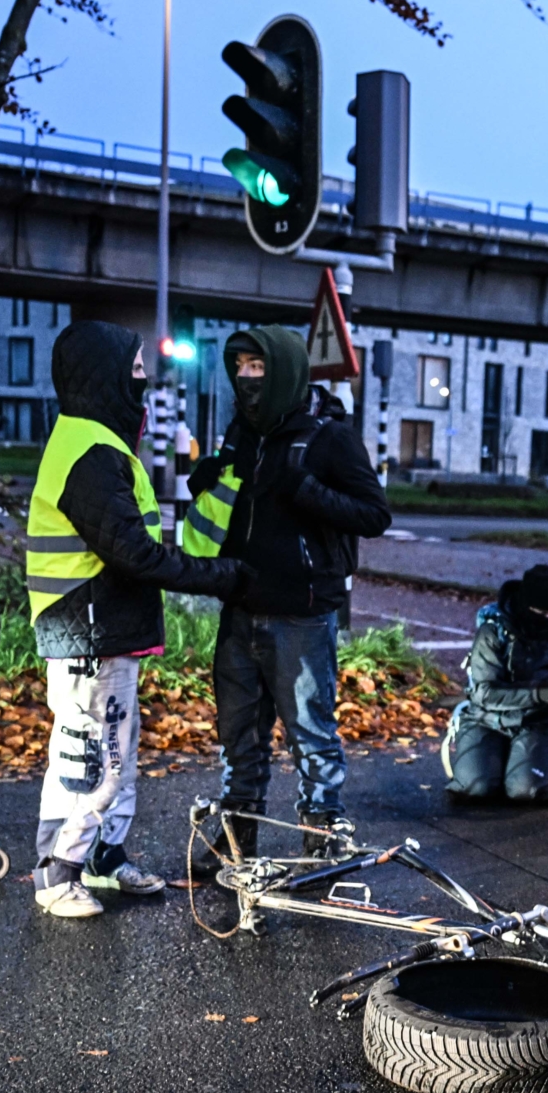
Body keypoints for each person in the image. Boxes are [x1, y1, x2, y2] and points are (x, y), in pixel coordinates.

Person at [26, 320, 252, 919]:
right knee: (96, 765)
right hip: (89, 634)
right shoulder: (92, 454)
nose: (144, 382)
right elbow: (133, 552)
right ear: (103, 376)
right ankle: (58, 875)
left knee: (107, 756)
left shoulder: (93, 441)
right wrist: (222, 575)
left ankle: (101, 860)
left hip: (96, 631)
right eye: (133, 371)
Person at [183, 326, 393, 858]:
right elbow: (232, 504)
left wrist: (308, 491)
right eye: (241, 367)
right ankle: (236, 836)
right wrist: (206, 479)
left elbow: (375, 514)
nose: (246, 377)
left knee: (312, 736)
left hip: (300, 616)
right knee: (239, 737)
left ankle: (323, 838)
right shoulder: (242, 430)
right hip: (240, 608)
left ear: (284, 371)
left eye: (258, 367)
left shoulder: (329, 437)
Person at [445, 563, 548, 803]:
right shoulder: (493, 633)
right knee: (474, 788)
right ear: (526, 606)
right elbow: (484, 693)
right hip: (487, 719)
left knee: (526, 792)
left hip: (538, 722)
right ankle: (494, 764)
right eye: (541, 612)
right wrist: (537, 693)